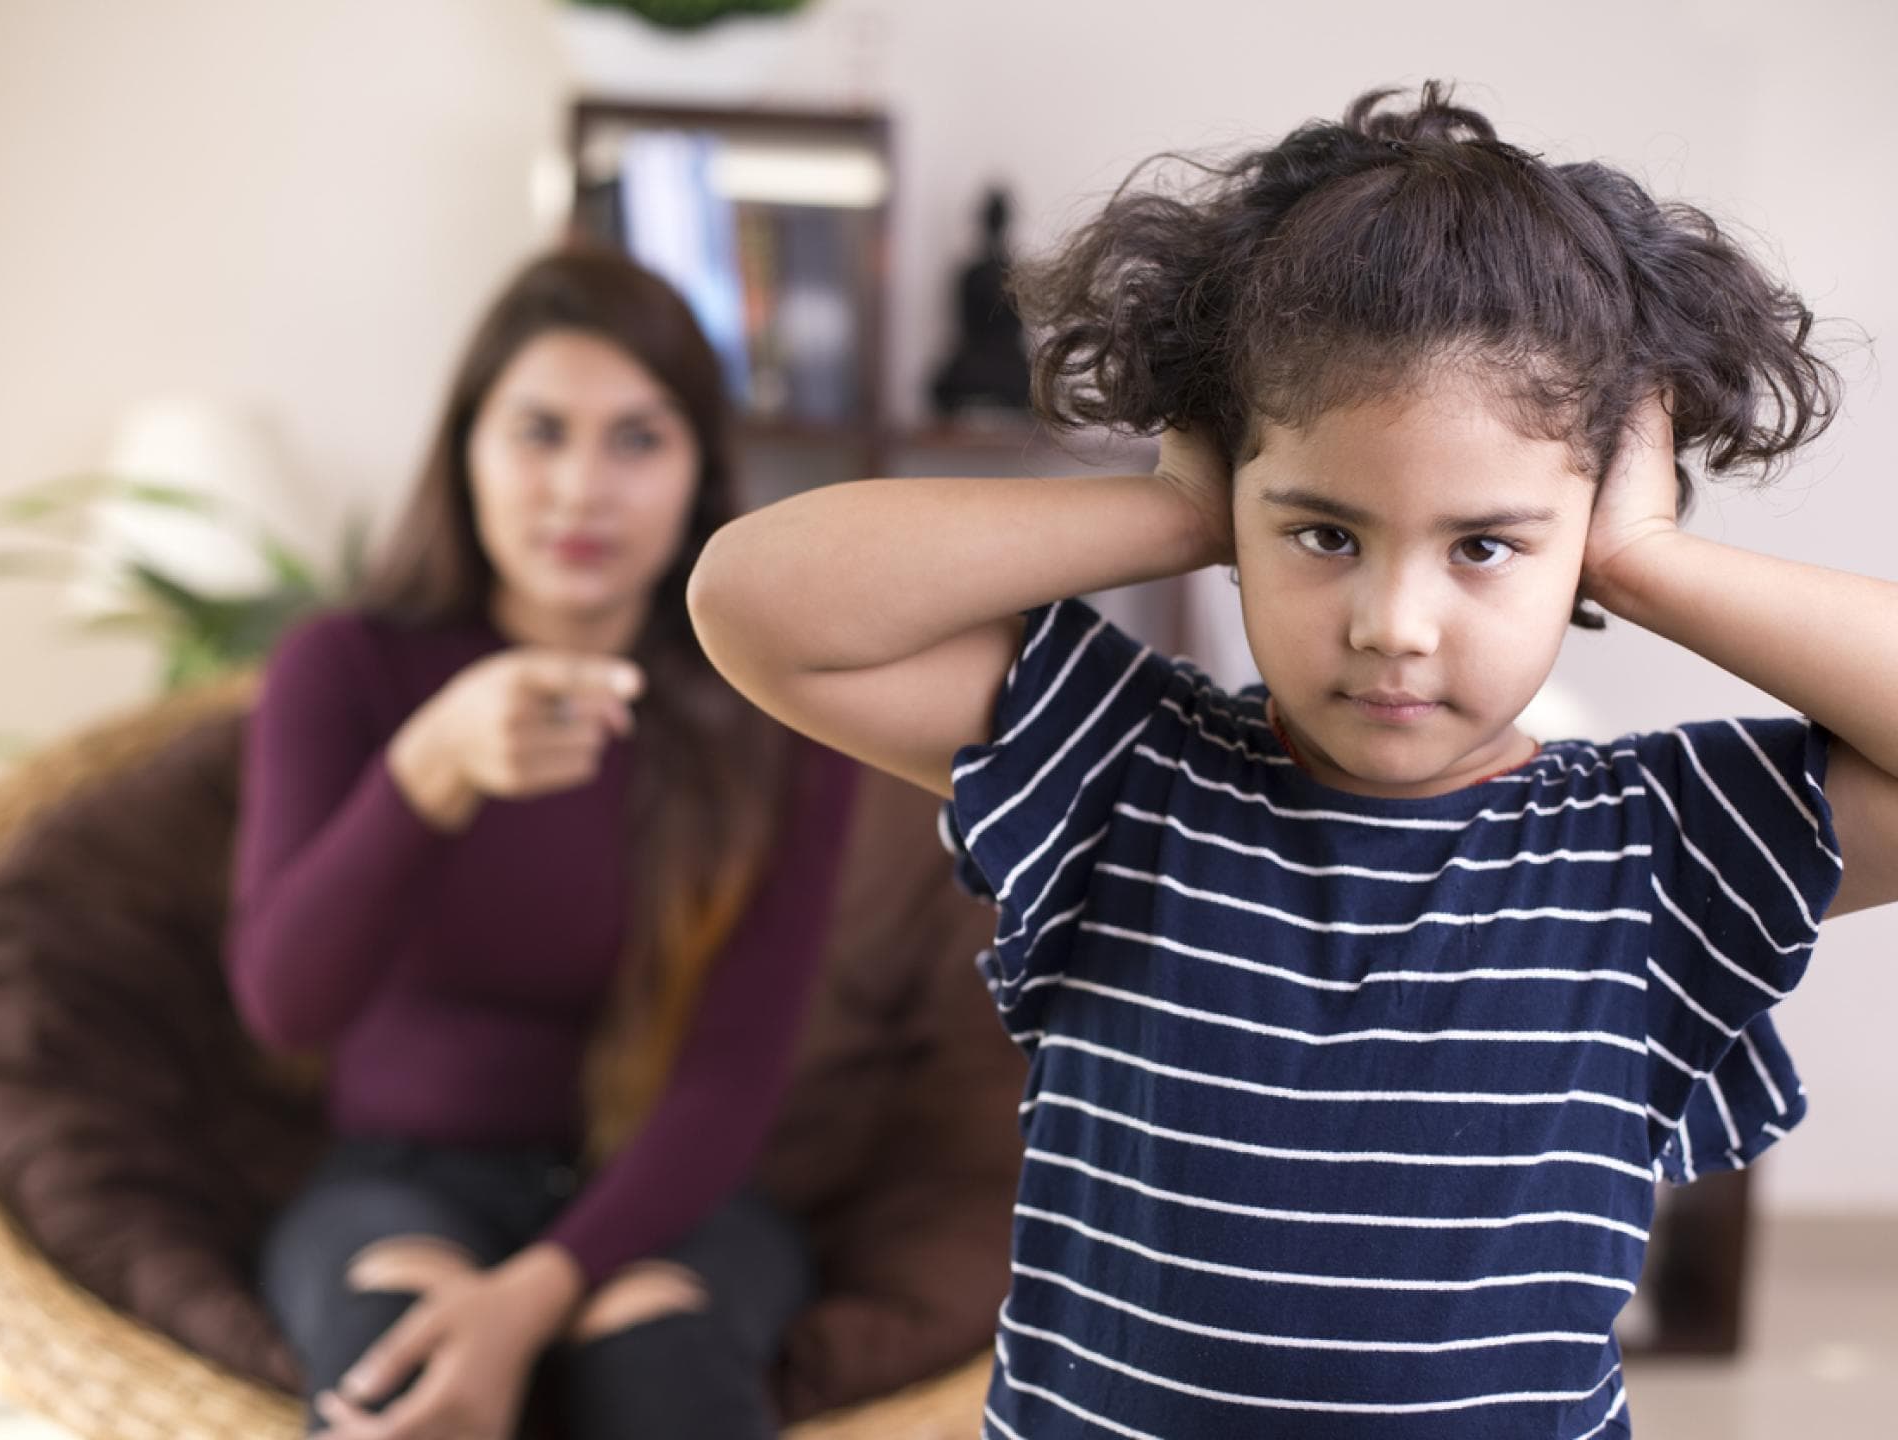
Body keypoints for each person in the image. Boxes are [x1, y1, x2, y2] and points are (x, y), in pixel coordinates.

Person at [685, 83, 1898, 1438]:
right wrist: (1171, 510)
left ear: (1585, 529)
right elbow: (758, 606)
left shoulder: (1653, 854)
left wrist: (1650, 562)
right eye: (1324, 533)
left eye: (1486, 544)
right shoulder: (1122, 776)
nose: (1394, 625)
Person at [229, 245, 858, 1440]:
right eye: (538, 432)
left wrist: (530, 1299)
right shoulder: (345, 669)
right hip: (400, 1186)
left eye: (637, 438)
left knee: (660, 1369)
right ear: (465, 450)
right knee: (393, 1380)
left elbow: (730, 1078)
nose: (582, 490)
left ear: (697, 474)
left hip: (668, 1197)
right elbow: (285, 1005)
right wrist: (430, 770)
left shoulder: (776, 720)